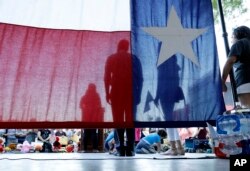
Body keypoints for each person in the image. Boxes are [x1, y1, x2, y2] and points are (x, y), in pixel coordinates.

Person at [104, 39, 143, 156]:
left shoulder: (111, 58)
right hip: (131, 92)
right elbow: (140, 78)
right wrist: (139, 93)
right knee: (130, 120)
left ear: (118, 46)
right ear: (127, 47)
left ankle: (120, 148)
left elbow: (106, 77)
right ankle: (131, 149)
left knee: (118, 120)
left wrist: (107, 93)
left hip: (116, 92)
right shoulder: (134, 58)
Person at [222, 26, 250, 108]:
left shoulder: (240, 43)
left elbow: (230, 61)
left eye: (232, 37)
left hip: (245, 81)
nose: (231, 41)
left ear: (237, 35)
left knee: (247, 110)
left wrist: (222, 81)